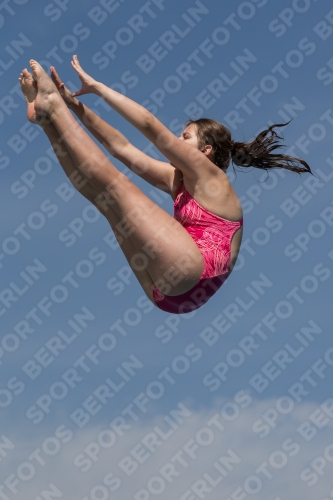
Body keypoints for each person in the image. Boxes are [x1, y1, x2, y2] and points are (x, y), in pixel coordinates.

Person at [19, 57, 311, 314]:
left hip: (190, 271)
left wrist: (98, 88)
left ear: (206, 150)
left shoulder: (211, 177)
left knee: (117, 188)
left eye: (185, 137)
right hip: (168, 295)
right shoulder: (179, 180)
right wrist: (75, 105)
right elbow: (121, 148)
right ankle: (48, 119)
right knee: (105, 201)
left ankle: (53, 108)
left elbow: (149, 124)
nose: (177, 140)